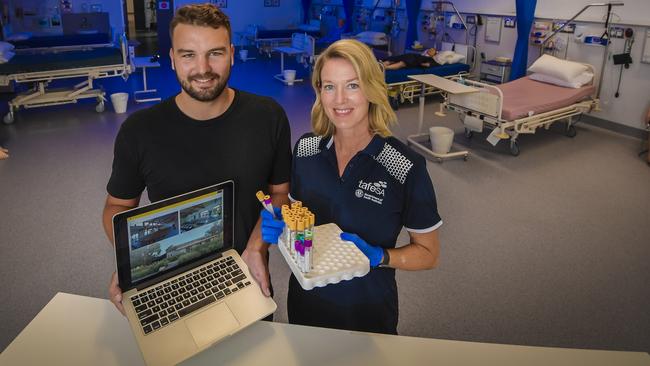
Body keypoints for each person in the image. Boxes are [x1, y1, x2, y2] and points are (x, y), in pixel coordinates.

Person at [103, 4, 291, 315]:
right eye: (189, 54)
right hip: (170, 282)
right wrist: (132, 263)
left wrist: (256, 247)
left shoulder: (268, 116)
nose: (203, 68)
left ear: (231, 53)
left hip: (245, 275)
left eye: (215, 53)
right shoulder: (139, 131)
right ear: (173, 58)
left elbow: (279, 194)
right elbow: (117, 206)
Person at [261, 39, 441, 334]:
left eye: (353, 85)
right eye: (329, 86)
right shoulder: (306, 149)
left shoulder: (403, 165)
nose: (339, 100)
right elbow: (295, 208)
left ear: (371, 88)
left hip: (366, 315)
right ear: (319, 92)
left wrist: (381, 256)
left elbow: (429, 254)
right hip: (306, 305)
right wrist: (283, 221)